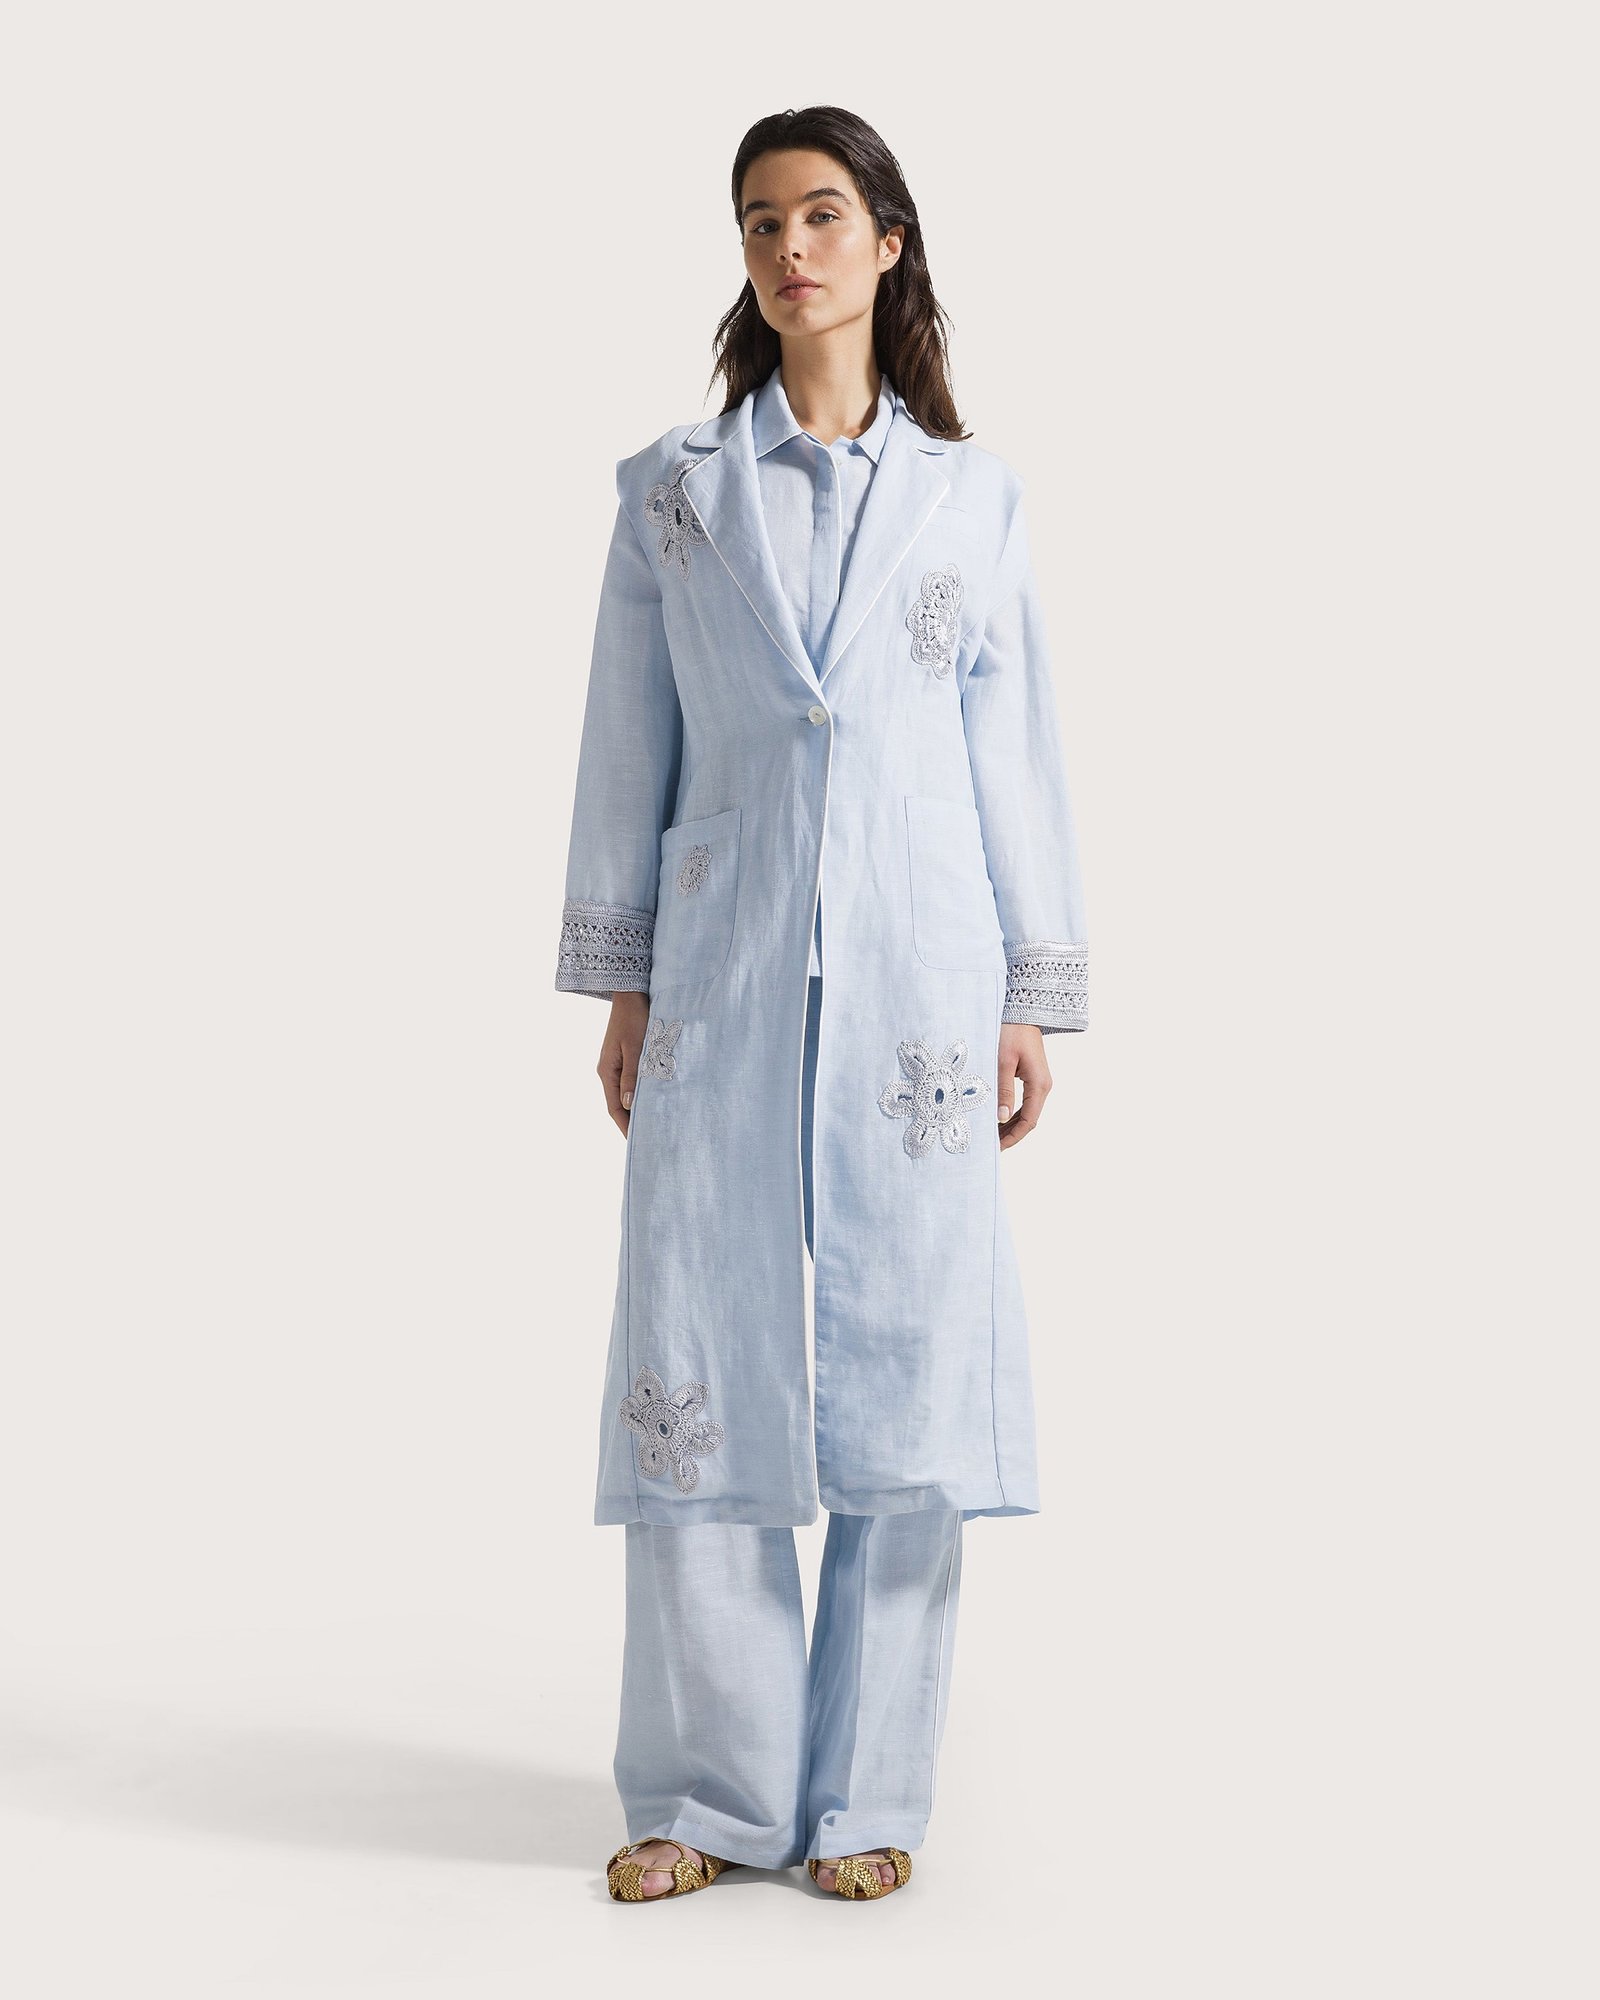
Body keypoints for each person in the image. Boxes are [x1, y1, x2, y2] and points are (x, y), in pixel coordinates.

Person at [555, 105, 1090, 1904]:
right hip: (720, 971)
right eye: (761, 221)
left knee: (909, 1362)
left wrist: (1030, 988)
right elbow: (627, 739)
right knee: (696, 1354)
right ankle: (710, 1795)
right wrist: (623, 982)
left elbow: (1009, 744)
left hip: (923, 986)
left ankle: (867, 1793)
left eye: (823, 215)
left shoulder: (971, 498)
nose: (791, 248)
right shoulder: (673, 492)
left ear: (887, 242)